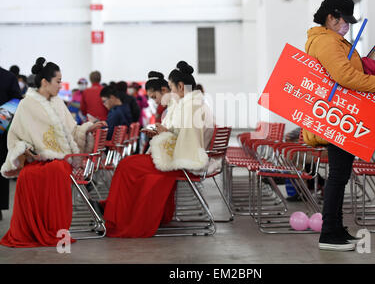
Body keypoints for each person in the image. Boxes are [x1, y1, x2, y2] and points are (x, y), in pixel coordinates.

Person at [303, 0, 375, 251]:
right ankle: (329, 232)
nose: (347, 26)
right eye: (344, 20)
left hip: (340, 116)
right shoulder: (328, 43)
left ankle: (336, 228)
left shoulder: (332, 41)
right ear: (331, 17)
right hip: (337, 119)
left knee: (339, 177)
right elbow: (344, 76)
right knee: (338, 177)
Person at [97, 61, 214, 238]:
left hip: (183, 160)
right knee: (127, 164)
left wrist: (164, 133)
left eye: (172, 88)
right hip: (179, 156)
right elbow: (184, 136)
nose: (171, 93)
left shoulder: (191, 107)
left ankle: (120, 217)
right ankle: (115, 212)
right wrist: (164, 133)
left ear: (181, 86)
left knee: (127, 166)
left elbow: (187, 144)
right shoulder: (192, 104)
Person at [0, 57, 106, 247]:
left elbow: (73, 130)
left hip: (60, 159)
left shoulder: (58, 103)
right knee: (27, 176)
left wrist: (88, 128)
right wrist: (26, 150)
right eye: (58, 81)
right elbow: (15, 137)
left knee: (56, 170)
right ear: (44, 82)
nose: (60, 85)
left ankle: (54, 229)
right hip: (37, 160)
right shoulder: (26, 104)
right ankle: (32, 230)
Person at [0, 65, 22, 221]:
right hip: (2, 129)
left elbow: (17, 101)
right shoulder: (8, 77)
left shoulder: (7, 77)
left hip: (2, 132)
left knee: (1, 169)